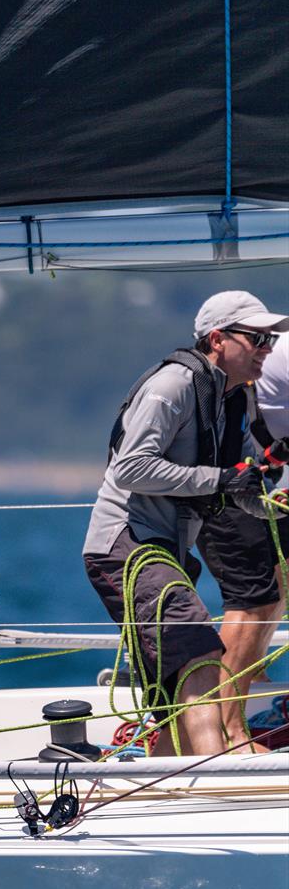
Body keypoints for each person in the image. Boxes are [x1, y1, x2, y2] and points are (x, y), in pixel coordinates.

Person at [83, 291, 289, 756]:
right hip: (127, 544)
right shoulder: (174, 386)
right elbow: (130, 468)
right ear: (217, 339)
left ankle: (162, 786)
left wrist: (270, 503)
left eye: (270, 340)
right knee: (200, 649)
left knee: (173, 696)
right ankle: (219, 768)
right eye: (257, 338)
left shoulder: (232, 399)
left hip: (169, 550)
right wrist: (223, 477)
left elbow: (234, 491)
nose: (267, 349)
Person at [196, 331, 289, 746]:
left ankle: (247, 684)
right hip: (230, 484)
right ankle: (228, 730)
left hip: (260, 483)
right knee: (253, 599)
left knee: (274, 588)